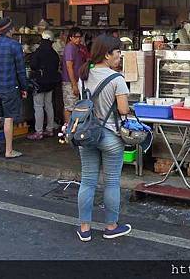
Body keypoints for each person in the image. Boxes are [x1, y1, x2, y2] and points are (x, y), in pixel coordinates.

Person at [76, 34, 131, 242]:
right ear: (107, 54)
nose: (119, 57)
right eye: (117, 53)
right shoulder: (116, 79)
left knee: (88, 181)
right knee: (111, 183)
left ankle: (84, 229)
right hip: (110, 137)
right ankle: (110, 227)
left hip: (87, 134)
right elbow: (123, 109)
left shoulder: (83, 75)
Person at [0, 18, 28, 159]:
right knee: (9, 118)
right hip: (9, 87)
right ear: (9, 30)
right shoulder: (15, 45)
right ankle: (9, 151)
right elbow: (21, 70)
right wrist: (24, 87)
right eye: (13, 28)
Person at [27, 30, 60, 140]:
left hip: (40, 82)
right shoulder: (54, 54)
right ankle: (50, 129)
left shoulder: (38, 52)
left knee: (38, 106)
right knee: (49, 105)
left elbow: (33, 65)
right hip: (51, 83)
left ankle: (39, 131)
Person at [58, 27, 84, 141]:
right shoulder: (69, 48)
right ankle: (68, 132)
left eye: (79, 37)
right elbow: (69, 66)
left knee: (75, 106)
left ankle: (72, 131)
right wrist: (74, 84)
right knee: (69, 107)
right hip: (69, 82)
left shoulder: (76, 48)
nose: (78, 39)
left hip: (76, 81)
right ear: (71, 37)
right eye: (76, 37)